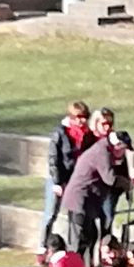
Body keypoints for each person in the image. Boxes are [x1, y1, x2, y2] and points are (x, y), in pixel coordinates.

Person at [63, 127, 129, 266]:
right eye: (124, 149)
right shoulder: (102, 152)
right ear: (117, 146)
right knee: (80, 240)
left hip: (88, 202)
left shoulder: (105, 149)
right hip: (79, 200)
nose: (124, 153)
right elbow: (110, 179)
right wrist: (127, 183)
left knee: (91, 236)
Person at [42, 100, 93, 241]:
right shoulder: (60, 133)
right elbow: (53, 158)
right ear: (71, 117)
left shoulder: (87, 135)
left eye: (85, 117)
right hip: (59, 178)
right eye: (79, 117)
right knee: (51, 213)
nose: (83, 120)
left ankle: (72, 245)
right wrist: (57, 182)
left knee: (75, 215)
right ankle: (43, 245)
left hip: (75, 179)